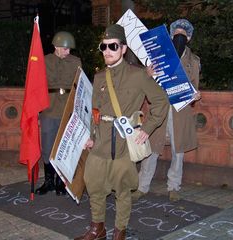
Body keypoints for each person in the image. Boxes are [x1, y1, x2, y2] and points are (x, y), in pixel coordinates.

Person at [74, 24, 169, 240]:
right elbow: (94, 112)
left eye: (113, 46)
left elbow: (160, 102)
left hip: (124, 143)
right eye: (104, 46)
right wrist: (90, 136)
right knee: (95, 186)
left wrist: (147, 129)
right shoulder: (99, 77)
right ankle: (97, 229)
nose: (107, 51)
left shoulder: (138, 76)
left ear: (123, 49)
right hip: (100, 144)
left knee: (123, 191)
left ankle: (119, 232)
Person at [132, 19, 201, 202]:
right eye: (176, 34)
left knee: (178, 152)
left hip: (181, 112)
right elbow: (146, 84)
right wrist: (147, 74)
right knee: (151, 148)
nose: (180, 37)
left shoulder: (193, 61)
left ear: (189, 38)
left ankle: (174, 187)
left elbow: (194, 87)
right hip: (159, 109)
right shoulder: (158, 56)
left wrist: (195, 95)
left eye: (183, 35)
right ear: (170, 36)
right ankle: (142, 186)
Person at [36, 31, 82, 196]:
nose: (68, 51)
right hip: (49, 108)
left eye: (70, 49)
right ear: (55, 46)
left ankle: (60, 182)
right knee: (47, 146)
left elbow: (80, 86)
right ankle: (48, 181)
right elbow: (36, 85)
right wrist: (35, 107)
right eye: (64, 48)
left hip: (67, 110)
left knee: (65, 148)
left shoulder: (76, 62)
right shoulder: (45, 61)